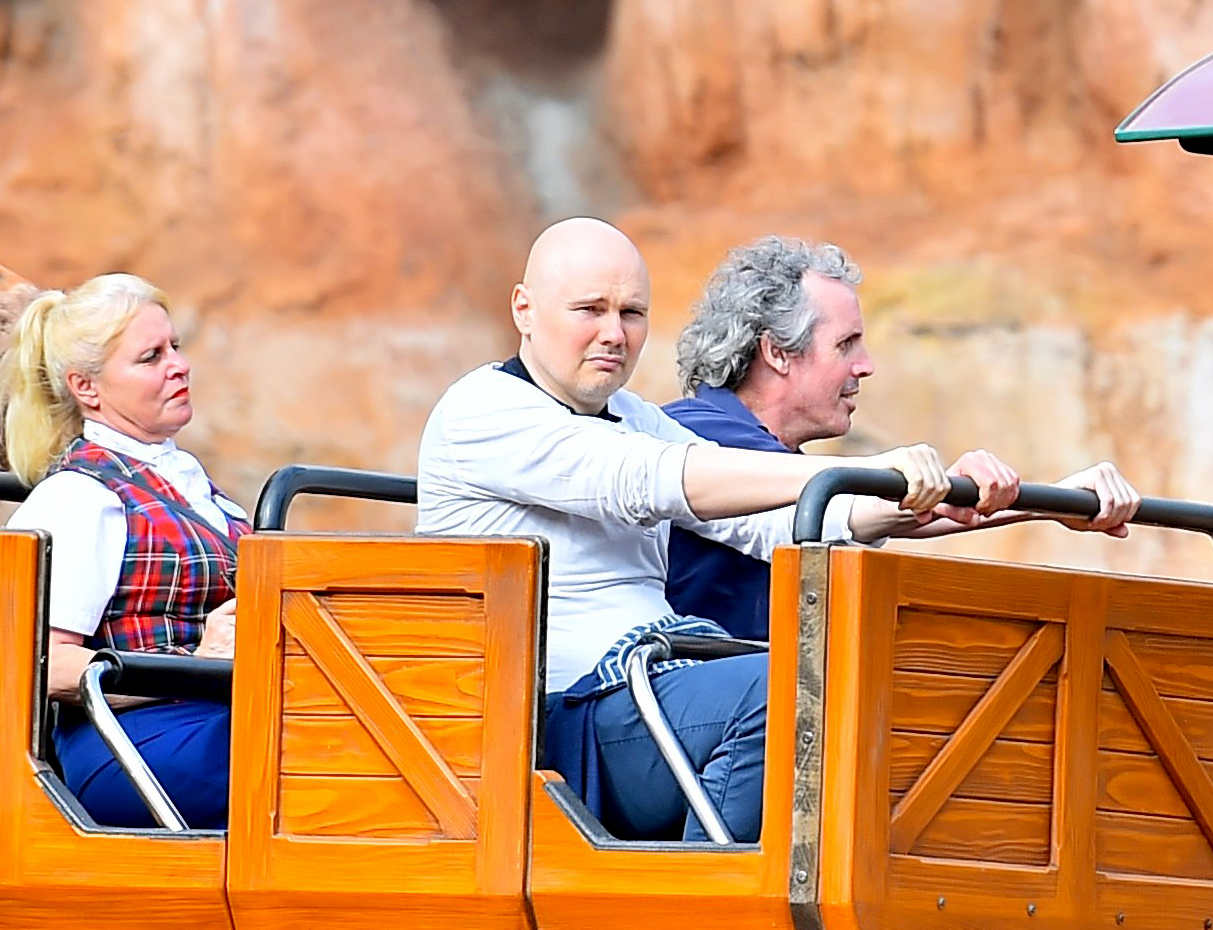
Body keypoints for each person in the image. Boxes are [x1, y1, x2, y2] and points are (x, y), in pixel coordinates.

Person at [418, 218, 1048, 845]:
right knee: (787, 694)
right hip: (545, 722)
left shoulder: (632, 416)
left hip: (643, 687)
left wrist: (982, 500)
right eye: (590, 309)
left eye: (632, 313)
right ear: (524, 310)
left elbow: (786, 523)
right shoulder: (483, 411)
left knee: (865, 684)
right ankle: (711, 915)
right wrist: (865, 468)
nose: (614, 334)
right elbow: (653, 479)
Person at [665, 236, 1142, 638]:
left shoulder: (778, 454)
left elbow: (865, 513)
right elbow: (849, 512)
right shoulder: (698, 434)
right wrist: (947, 485)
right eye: (846, 344)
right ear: (777, 353)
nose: (865, 365)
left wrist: (1055, 500)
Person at [0, 274, 244, 829]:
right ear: (87, 387)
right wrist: (194, 664)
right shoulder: (82, 495)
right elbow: (40, 665)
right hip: (127, 743)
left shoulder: (187, 482)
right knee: (316, 749)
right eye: (150, 356)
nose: (178, 364)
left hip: (216, 716)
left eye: (174, 346)